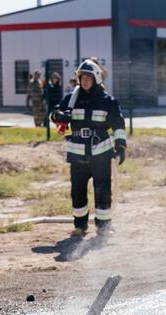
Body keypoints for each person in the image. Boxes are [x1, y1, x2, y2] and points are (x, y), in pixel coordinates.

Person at [50, 59, 126, 237]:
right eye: (82, 78)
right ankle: (80, 226)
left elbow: (119, 126)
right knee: (77, 191)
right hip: (77, 155)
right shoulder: (71, 99)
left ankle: (104, 226)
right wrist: (57, 115)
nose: (84, 82)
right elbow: (54, 115)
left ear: (96, 78)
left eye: (88, 78)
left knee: (102, 190)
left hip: (101, 153)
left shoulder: (108, 101)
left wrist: (121, 146)